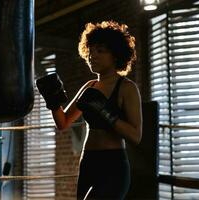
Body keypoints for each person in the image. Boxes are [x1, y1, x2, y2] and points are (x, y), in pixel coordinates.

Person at [36, 20, 142, 200]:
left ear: (115, 55)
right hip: (88, 162)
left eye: (100, 51)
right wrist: (53, 101)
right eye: (91, 51)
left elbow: (136, 136)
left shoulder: (127, 88)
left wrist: (106, 113)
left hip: (113, 164)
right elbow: (63, 123)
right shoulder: (89, 86)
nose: (93, 56)